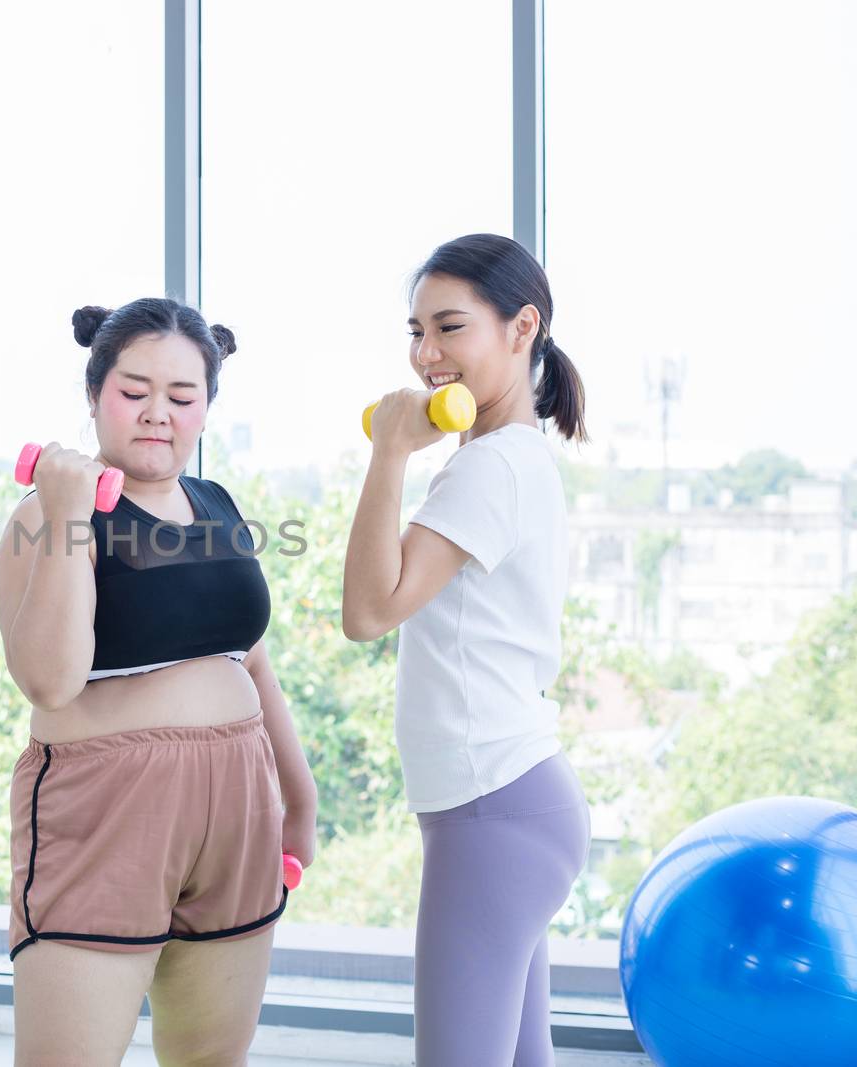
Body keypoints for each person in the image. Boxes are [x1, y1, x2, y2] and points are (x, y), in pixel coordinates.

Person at [0, 297, 318, 1066]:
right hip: (107, 812)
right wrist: (72, 511)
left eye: (182, 396)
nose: (156, 414)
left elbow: (254, 660)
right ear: (94, 393)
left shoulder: (218, 505)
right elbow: (49, 680)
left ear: (207, 405)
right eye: (133, 392)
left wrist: (299, 800)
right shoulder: (42, 515)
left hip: (240, 806)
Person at [341, 234, 592, 1066]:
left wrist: (387, 452)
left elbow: (369, 609)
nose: (427, 354)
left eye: (450, 328)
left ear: (523, 328)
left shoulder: (490, 470)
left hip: (494, 807)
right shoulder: (507, 459)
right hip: (508, 803)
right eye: (416, 331)